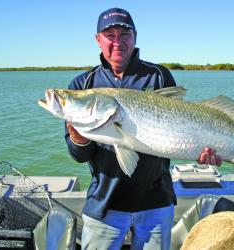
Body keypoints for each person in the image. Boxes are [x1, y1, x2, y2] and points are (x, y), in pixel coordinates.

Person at [65, 7, 221, 250]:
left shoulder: (159, 76)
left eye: (124, 34)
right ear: (98, 40)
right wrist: (76, 134)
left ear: (135, 37)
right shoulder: (82, 86)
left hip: (156, 204)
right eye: (110, 35)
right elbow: (79, 155)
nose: (118, 42)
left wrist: (201, 153)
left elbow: (178, 131)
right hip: (104, 205)